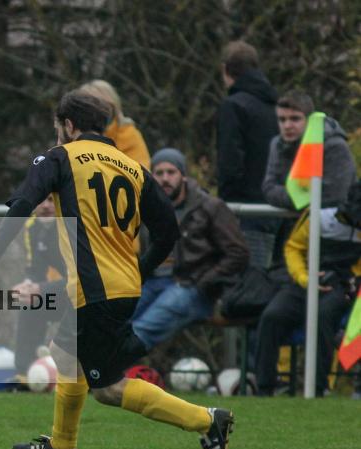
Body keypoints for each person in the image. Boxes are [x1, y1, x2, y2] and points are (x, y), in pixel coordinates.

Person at [0, 91, 234, 449]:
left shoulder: (60, 157)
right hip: (121, 287)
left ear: (68, 126)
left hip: (95, 291)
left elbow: (23, 204)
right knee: (65, 355)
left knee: (107, 387)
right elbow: (169, 231)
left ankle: (207, 421)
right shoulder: (133, 167)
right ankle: (62, 447)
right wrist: (140, 269)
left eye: (59, 129)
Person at [131, 148, 249, 349]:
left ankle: (107, 371)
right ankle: (103, 374)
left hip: (191, 285)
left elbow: (238, 253)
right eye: (159, 173)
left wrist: (204, 282)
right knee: (112, 319)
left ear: (183, 176)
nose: (165, 178)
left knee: (143, 329)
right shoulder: (148, 208)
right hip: (152, 281)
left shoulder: (209, 207)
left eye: (171, 172)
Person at [255, 183, 361, 396]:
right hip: (305, 281)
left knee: (324, 317)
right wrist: (305, 277)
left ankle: (318, 388)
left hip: (343, 285)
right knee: (272, 316)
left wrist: (353, 279)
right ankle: (264, 387)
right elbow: (293, 247)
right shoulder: (320, 215)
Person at [262, 90, 356, 268]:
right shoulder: (277, 144)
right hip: (290, 235)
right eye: (282, 120)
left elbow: (333, 195)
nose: (287, 125)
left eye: (295, 119)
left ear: (309, 119)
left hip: (333, 241)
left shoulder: (335, 147)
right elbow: (268, 188)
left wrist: (296, 196)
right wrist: (302, 196)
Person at [216, 40, 279, 268]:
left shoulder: (233, 107)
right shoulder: (277, 108)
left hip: (244, 210)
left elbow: (230, 163)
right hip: (277, 209)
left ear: (226, 69)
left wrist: (223, 207)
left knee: (245, 287)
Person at [12, 198, 66, 380]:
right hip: (68, 290)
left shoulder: (75, 225)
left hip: (95, 293)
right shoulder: (32, 225)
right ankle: (25, 374)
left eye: (51, 200)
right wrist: (27, 286)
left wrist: (41, 289)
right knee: (29, 302)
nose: (45, 206)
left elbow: (83, 279)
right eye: (40, 199)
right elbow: (35, 270)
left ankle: (80, 373)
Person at [78, 79, 150, 169]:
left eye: (99, 105)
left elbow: (141, 174)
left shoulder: (129, 135)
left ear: (113, 106)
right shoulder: (74, 135)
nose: (95, 112)